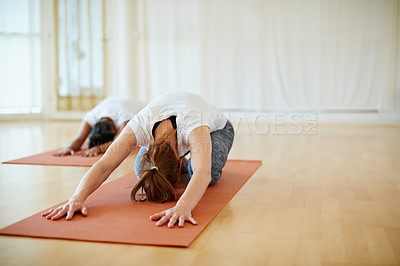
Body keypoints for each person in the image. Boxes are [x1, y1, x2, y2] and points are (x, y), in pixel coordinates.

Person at [43, 91, 234, 228]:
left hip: (218, 129)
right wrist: (77, 198)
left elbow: (203, 173)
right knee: (141, 169)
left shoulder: (194, 123)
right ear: (147, 148)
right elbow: (103, 165)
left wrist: (182, 207)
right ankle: (179, 167)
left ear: (176, 161)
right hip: (175, 131)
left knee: (202, 171)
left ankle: (187, 164)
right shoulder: (139, 125)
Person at [54, 97, 144, 157]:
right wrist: (69, 147)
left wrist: (98, 148)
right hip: (115, 102)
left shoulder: (124, 118)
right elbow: (79, 138)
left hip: (140, 108)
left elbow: (118, 143)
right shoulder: (91, 117)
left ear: (113, 130)